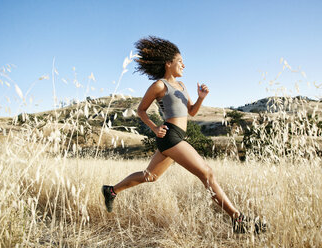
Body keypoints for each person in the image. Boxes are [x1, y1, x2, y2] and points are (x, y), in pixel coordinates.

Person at [102, 36, 266, 234]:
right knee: (207, 173)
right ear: (168, 63)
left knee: (150, 176)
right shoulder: (160, 85)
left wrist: (200, 98)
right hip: (170, 136)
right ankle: (238, 220)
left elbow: (192, 112)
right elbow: (141, 110)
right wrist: (154, 128)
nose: (184, 65)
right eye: (180, 62)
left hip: (178, 136)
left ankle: (111, 190)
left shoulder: (182, 86)